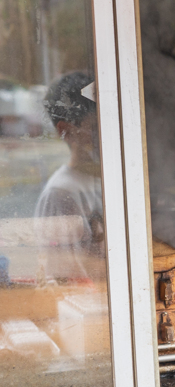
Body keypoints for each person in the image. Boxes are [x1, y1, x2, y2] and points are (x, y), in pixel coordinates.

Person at [34, 70, 106, 281]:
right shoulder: (61, 194)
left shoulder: (107, 179)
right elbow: (65, 277)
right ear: (65, 130)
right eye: (95, 126)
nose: (104, 133)